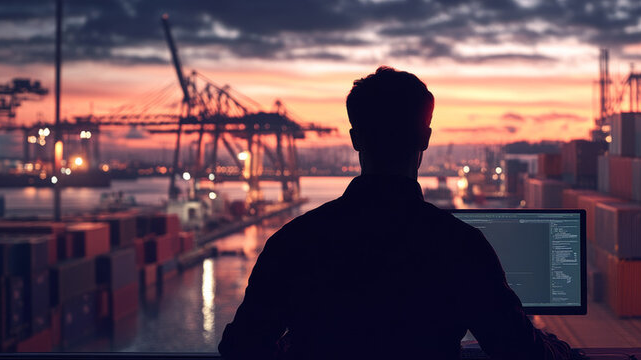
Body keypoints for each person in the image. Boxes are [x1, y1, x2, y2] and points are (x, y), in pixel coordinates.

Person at [218, 66, 584, 360]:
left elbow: (240, 347)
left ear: (355, 139)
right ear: (424, 139)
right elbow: (516, 348)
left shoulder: (295, 241)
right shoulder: (458, 245)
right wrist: (564, 350)